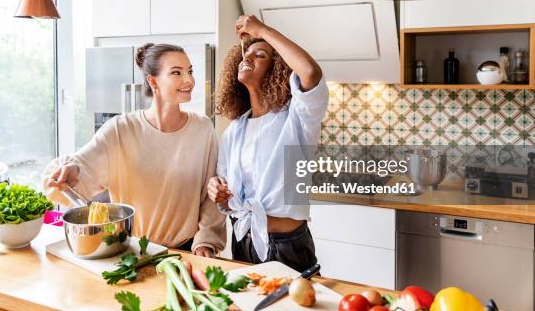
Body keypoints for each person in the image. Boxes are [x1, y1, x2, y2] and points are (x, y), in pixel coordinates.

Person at [44, 43, 225, 257]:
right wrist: (71, 169)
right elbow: (75, 170)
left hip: (186, 252)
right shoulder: (121, 129)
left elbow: (212, 195)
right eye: (176, 72)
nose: (189, 80)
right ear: (153, 81)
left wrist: (205, 242)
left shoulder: (202, 129)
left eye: (190, 71)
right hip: (131, 252)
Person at [208, 15, 328, 271]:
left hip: (287, 247)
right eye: (246, 54)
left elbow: (310, 72)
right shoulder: (234, 131)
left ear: (277, 68)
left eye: (260, 55)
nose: (247, 58)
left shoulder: (296, 119)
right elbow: (227, 197)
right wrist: (216, 189)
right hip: (242, 241)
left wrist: (261, 29)